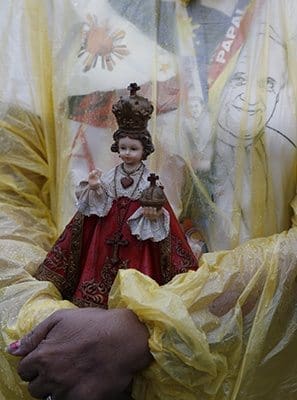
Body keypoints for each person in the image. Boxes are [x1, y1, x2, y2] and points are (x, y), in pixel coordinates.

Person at [1, 0, 297, 399]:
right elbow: (10, 193)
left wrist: (148, 330)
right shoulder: (39, 10)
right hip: (68, 371)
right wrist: (43, 321)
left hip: (250, 377)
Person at [35, 83, 197, 308]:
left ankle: (136, 296)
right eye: (123, 148)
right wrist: (94, 187)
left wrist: (154, 208)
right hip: (107, 233)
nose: (127, 154)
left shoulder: (148, 179)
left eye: (133, 149)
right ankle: (92, 295)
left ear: (144, 150)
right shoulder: (112, 175)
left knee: (138, 266)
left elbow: (158, 204)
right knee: (97, 256)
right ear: (117, 148)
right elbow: (98, 201)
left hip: (135, 237)